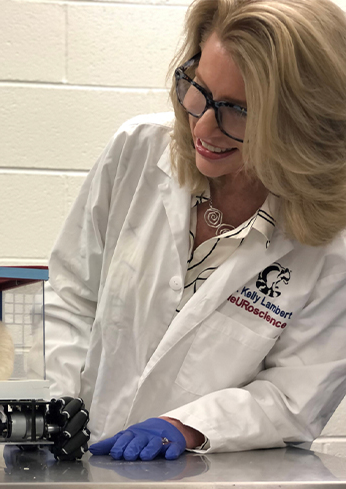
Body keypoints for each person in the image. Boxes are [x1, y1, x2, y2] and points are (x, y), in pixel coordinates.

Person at [44, 0, 346, 461]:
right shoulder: (138, 149)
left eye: (240, 110)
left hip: (212, 472)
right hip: (82, 459)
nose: (204, 126)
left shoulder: (331, 239)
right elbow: (70, 296)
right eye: (199, 90)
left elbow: (293, 396)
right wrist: (51, 406)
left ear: (301, 121)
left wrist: (187, 426)